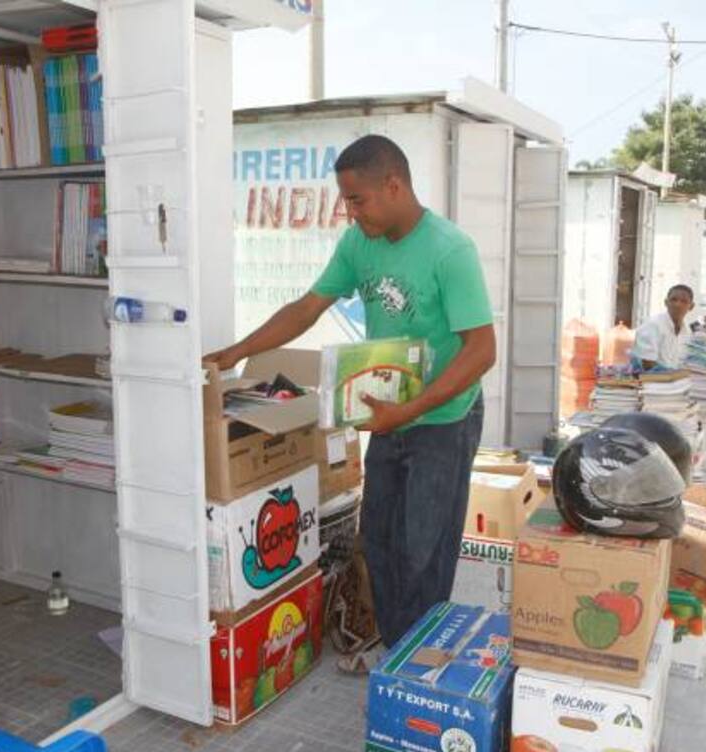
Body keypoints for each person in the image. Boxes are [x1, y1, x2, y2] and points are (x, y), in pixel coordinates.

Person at [205, 135, 496, 669]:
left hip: (444, 422)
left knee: (424, 551)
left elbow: (482, 351)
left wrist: (409, 412)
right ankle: (395, 646)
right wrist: (238, 351)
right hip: (388, 417)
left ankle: (417, 664)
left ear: (394, 185)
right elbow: (307, 308)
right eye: (346, 200)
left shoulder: (450, 249)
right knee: (378, 540)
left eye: (357, 199)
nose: (350, 211)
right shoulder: (357, 244)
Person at [631, 284, 706, 482]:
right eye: (674, 300)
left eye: (683, 301)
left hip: (676, 381)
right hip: (653, 383)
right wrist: (679, 375)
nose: (678, 304)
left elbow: (687, 358)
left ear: (691, 306)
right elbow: (647, 363)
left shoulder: (686, 330)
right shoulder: (653, 326)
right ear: (666, 302)